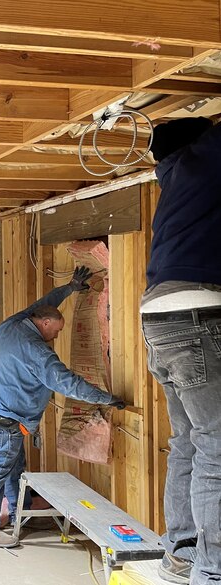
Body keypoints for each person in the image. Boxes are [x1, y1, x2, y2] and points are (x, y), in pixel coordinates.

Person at [0, 266, 125, 548]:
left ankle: (22, 510)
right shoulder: (37, 350)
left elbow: (45, 304)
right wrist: (107, 398)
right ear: (43, 324)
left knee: (15, 467)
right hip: (7, 421)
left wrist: (69, 288)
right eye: (55, 332)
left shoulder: (13, 323)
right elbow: (67, 383)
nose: (55, 337)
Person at [141, 116, 221, 585]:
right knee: (216, 447)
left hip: (161, 318)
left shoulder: (175, 180)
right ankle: (212, 571)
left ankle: (182, 551)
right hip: (197, 315)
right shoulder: (197, 163)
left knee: (190, 441)